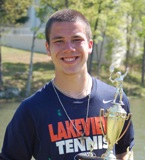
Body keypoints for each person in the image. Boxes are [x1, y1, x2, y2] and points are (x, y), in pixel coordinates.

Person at [0, 9, 134, 160]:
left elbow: (124, 153)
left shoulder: (117, 102)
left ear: (90, 45)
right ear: (48, 48)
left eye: (77, 39)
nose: (69, 48)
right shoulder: (31, 110)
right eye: (59, 41)